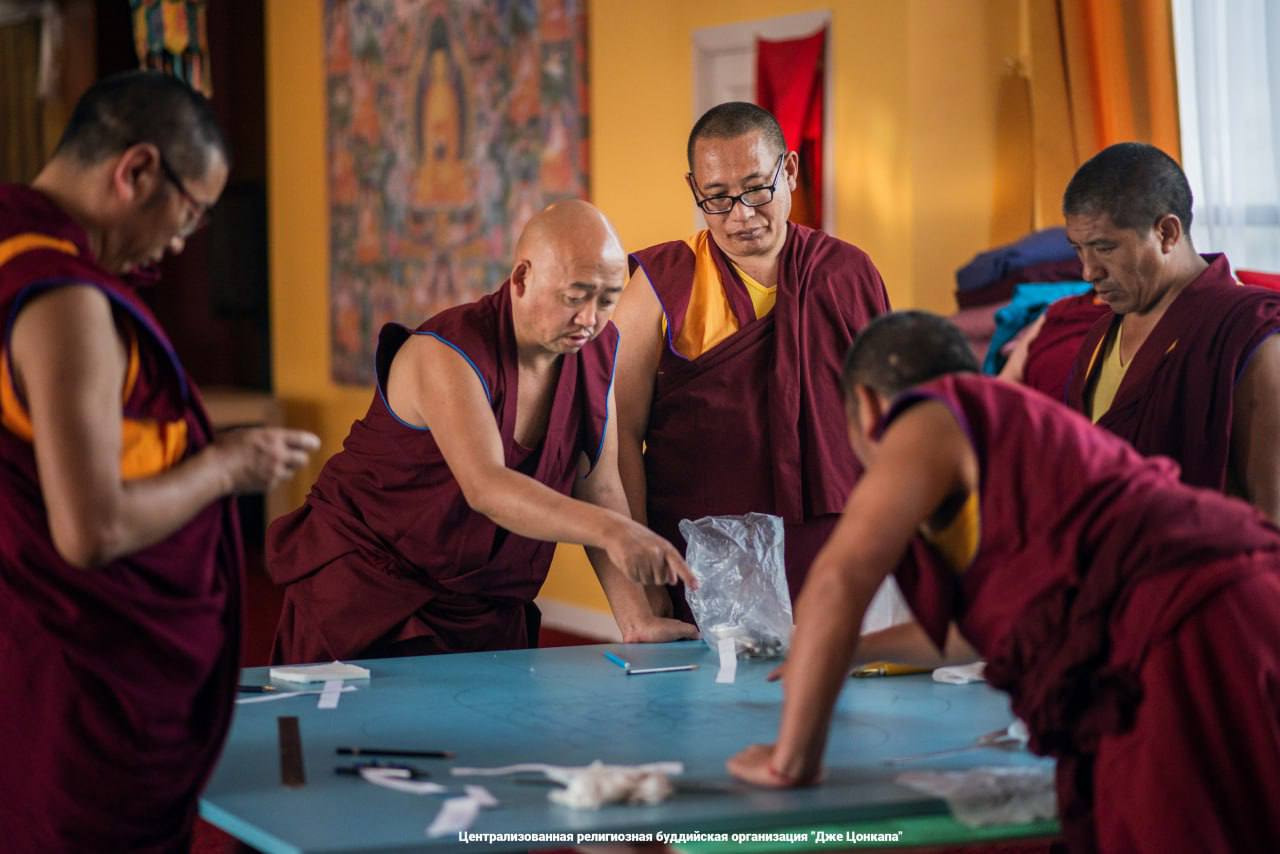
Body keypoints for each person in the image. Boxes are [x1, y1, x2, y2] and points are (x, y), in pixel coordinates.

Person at [727, 311, 1280, 853]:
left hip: (1193, 623)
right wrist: (855, 649)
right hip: (1239, 608)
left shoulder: (926, 417)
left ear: (867, 406)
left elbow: (839, 579)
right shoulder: (1001, 434)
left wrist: (791, 762)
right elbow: (997, 631)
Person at [0, 71, 320, 852]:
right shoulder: (62, 298)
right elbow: (93, 529)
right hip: (86, 684)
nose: (183, 241)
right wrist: (228, 467)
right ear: (138, 170)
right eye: (192, 211)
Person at [268, 200, 698, 663]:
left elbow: (599, 484)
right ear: (522, 279)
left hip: (484, 605)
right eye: (575, 297)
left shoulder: (597, 351)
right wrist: (612, 531)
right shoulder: (448, 351)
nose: (590, 319)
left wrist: (636, 619)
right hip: (368, 588)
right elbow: (487, 487)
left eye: (608, 299)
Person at [614, 102, 906, 628]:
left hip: (837, 553)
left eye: (756, 190)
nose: (741, 216)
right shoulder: (660, 284)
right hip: (704, 564)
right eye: (717, 198)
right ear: (693, 188)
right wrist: (643, 584)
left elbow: (889, 425)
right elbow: (618, 438)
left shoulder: (849, 274)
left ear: (789, 170)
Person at [1060, 142, 1280, 521]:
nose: (1088, 271)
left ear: (1166, 233)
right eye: (1079, 249)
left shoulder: (1249, 333)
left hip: (1209, 557)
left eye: (1104, 248)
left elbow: (1273, 510)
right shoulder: (1098, 339)